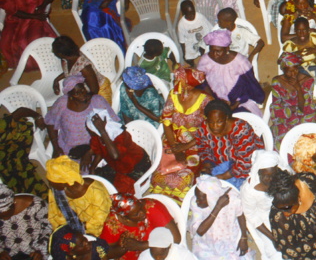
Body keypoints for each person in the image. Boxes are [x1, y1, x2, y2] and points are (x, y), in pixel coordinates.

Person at [189, 176, 259, 260]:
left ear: (212, 196)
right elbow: (201, 231)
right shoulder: (197, 204)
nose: (197, 201)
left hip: (229, 237)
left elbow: (240, 215)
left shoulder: (232, 199)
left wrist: (243, 237)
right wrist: (217, 207)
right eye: (197, 196)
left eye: (201, 198)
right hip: (207, 243)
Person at [152, 67, 212, 201]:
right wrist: (174, 147)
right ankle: (162, 202)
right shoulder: (173, 95)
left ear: (190, 84)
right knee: (159, 174)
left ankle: (182, 204)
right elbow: (166, 122)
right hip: (171, 139)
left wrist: (185, 148)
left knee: (184, 177)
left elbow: (207, 129)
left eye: (180, 81)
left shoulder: (206, 100)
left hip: (196, 143)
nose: (176, 83)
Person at [0, 0, 56, 68]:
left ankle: (44, 63)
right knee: (12, 42)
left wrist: (42, 6)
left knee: (34, 36)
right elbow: (14, 11)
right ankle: (26, 65)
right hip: (18, 19)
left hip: (37, 14)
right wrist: (34, 16)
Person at [194, 99, 263, 189]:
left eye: (219, 122)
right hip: (221, 166)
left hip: (246, 168)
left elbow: (246, 162)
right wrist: (207, 165)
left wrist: (223, 177)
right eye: (211, 122)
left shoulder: (240, 129)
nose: (214, 126)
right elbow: (203, 148)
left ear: (226, 118)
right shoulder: (204, 128)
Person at [45, 73, 117, 158]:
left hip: (95, 149)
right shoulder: (62, 103)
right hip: (67, 148)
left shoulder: (97, 101)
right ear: (70, 95)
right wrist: (56, 147)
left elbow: (113, 125)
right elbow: (51, 123)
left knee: (89, 170)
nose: (82, 95)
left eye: (83, 90)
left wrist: (93, 151)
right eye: (77, 93)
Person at [81, 109, 152, 194]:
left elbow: (115, 155)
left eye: (88, 128)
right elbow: (101, 151)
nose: (87, 130)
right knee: (94, 183)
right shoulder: (97, 136)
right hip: (118, 167)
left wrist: (102, 131)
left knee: (116, 194)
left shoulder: (120, 136)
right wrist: (92, 167)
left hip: (135, 168)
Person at [196, 30, 265, 115]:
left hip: (237, 99)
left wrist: (237, 103)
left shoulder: (240, 62)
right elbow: (201, 81)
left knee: (238, 118)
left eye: (218, 51)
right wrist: (214, 99)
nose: (214, 54)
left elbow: (250, 84)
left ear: (227, 49)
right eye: (211, 50)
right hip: (213, 96)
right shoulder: (205, 60)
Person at [0, 183, 50, 260]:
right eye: (1, 216)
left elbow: (52, 227)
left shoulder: (35, 205)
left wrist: (40, 249)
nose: (4, 218)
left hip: (38, 253)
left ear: (13, 203)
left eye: (5, 214)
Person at [45, 156, 112, 236]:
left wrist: (81, 230)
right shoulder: (56, 192)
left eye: (51, 182)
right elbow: (55, 215)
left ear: (64, 183)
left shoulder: (96, 192)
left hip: (97, 231)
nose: (50, 184)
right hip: (73, 231)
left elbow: (100, 220)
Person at [268, 52, 316, 148]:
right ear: (283, 70)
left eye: (296, 70)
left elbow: (305, 108)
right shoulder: (277, 82)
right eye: (289, 71)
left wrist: (298, 88)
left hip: (303, 115)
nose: (293, 74)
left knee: (304, 143)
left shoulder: (308, 80)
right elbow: (276, 107)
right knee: (282, 143)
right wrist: (292, 110)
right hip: (285, 117)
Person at [52, 36, 112, 103]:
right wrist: (56, 80)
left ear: (61, 54)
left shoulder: (84, 68)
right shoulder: (66, 60)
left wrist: (80, 102)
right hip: (82, 92)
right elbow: (70, 72)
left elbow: (95, 90)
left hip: (99, 91)